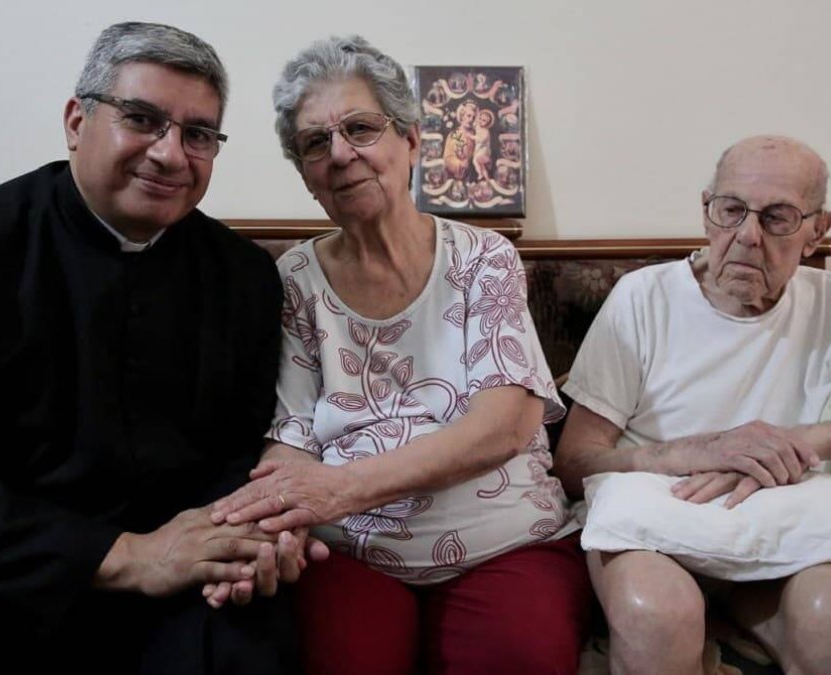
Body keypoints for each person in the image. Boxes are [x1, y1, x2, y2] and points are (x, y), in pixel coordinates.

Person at [0, 22, 324, 675]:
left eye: (198, 134)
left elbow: (238, 450)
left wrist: (244, 536)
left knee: (242, 650)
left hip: (173, 554)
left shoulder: (242, 275)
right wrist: (125, 555)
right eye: (142, 118)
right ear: (77, 120)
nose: (169, 153)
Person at [208, 35, 591, 675]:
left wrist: (338, 489)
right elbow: (293, 431)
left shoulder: (482, 259)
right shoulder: (292, 279)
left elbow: (504, 425)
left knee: (518, 656)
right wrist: (264, 519)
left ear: (410, 140)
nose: (339, 154)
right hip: (352, 549)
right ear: (304, 173)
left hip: (502, 541)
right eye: (313, 143)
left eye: (360, 127)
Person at [554, 135, 831, 674]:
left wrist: (810, 440)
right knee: (658, 614)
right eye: (731, 210)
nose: (746, 236)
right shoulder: (643, 297)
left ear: (817, 231)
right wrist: (696, 451)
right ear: (706, 212)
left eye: (778, 218)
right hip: (654, 521)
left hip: (784, 523)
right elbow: (575, 461)